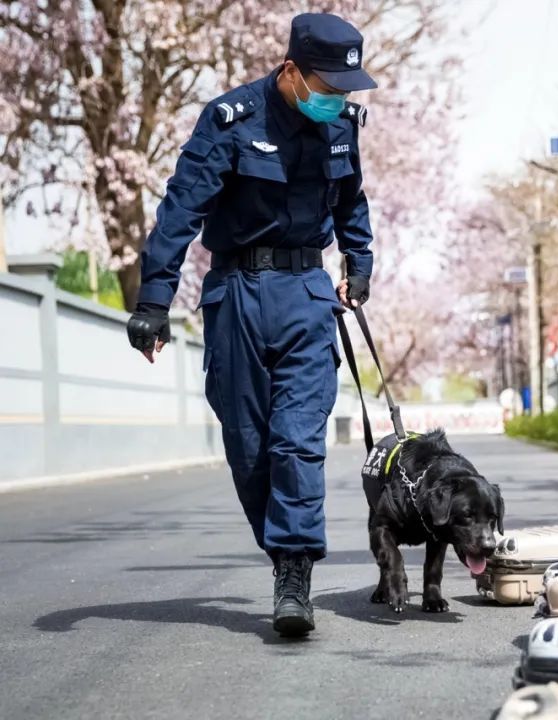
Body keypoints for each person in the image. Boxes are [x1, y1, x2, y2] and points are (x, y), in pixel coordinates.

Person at [125, 13, 377, 637]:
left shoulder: (341, 127)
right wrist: (154, 300)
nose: (337, 100)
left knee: (298, 439)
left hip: (307, 294)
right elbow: (181, 207)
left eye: (346, 90)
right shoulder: (230, 119)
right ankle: (282, 546)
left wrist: (360, 262)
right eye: (328, 86)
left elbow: (352, 203)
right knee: (248, 444)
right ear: (291, 71)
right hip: (235, 293)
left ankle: (293, 573)